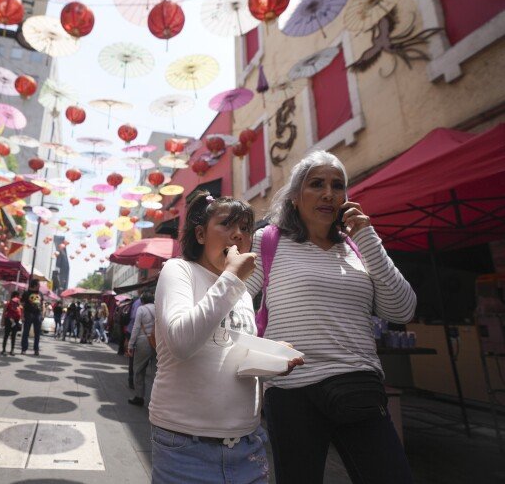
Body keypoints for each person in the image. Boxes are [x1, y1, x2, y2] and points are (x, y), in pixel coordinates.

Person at [246, 150, 416, 484]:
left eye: (338, 186)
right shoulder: (268, 241)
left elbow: (402, 309)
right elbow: (235, 302)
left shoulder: (357, 247)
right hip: (292, 391)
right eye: (317, 184)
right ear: (296, 197)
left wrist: (366, 236)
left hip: (358, 384)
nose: (329, 194)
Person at [150, 191, 303, 484]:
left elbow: (234, 354)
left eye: (245, 228)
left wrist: (272, 357)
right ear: (200, 234)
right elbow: (182, 343)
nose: (238, 235)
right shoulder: (179, 271)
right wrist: (231, 278)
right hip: (185, 445)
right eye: (226, 225)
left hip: (248, 443)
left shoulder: (241, 291)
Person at [126, 291, 156, 406]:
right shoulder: (158, 308)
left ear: (142, 301)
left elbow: (136, 327)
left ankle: (139, 397)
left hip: (143, 341)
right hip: (157, 341)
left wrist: (130, 344)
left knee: (139, 370)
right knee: (156, 372)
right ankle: (156, 400)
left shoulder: (141, 309)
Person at [20, 279, 44, 356]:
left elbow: (42, 304)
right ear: (34, 285)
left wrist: (42, 314)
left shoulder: (40, 293)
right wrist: (22, 315)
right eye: (38, 284)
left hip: (38, 314)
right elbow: (22, 305)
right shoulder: (26, 293)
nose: (40, 286)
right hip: (28, 313)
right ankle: (24, 349)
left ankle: (36, 349)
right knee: (26, 332)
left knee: (37, 333)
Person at [1, 291, 21, 356]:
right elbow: (20, 312)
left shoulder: (8, 303)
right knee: (13, 336)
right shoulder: (18, 304)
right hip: (15, 321)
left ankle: (4, 350)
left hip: (9, 320)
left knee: (6, 335)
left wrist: (2, 321)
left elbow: (4, 313)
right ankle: (12, 350)